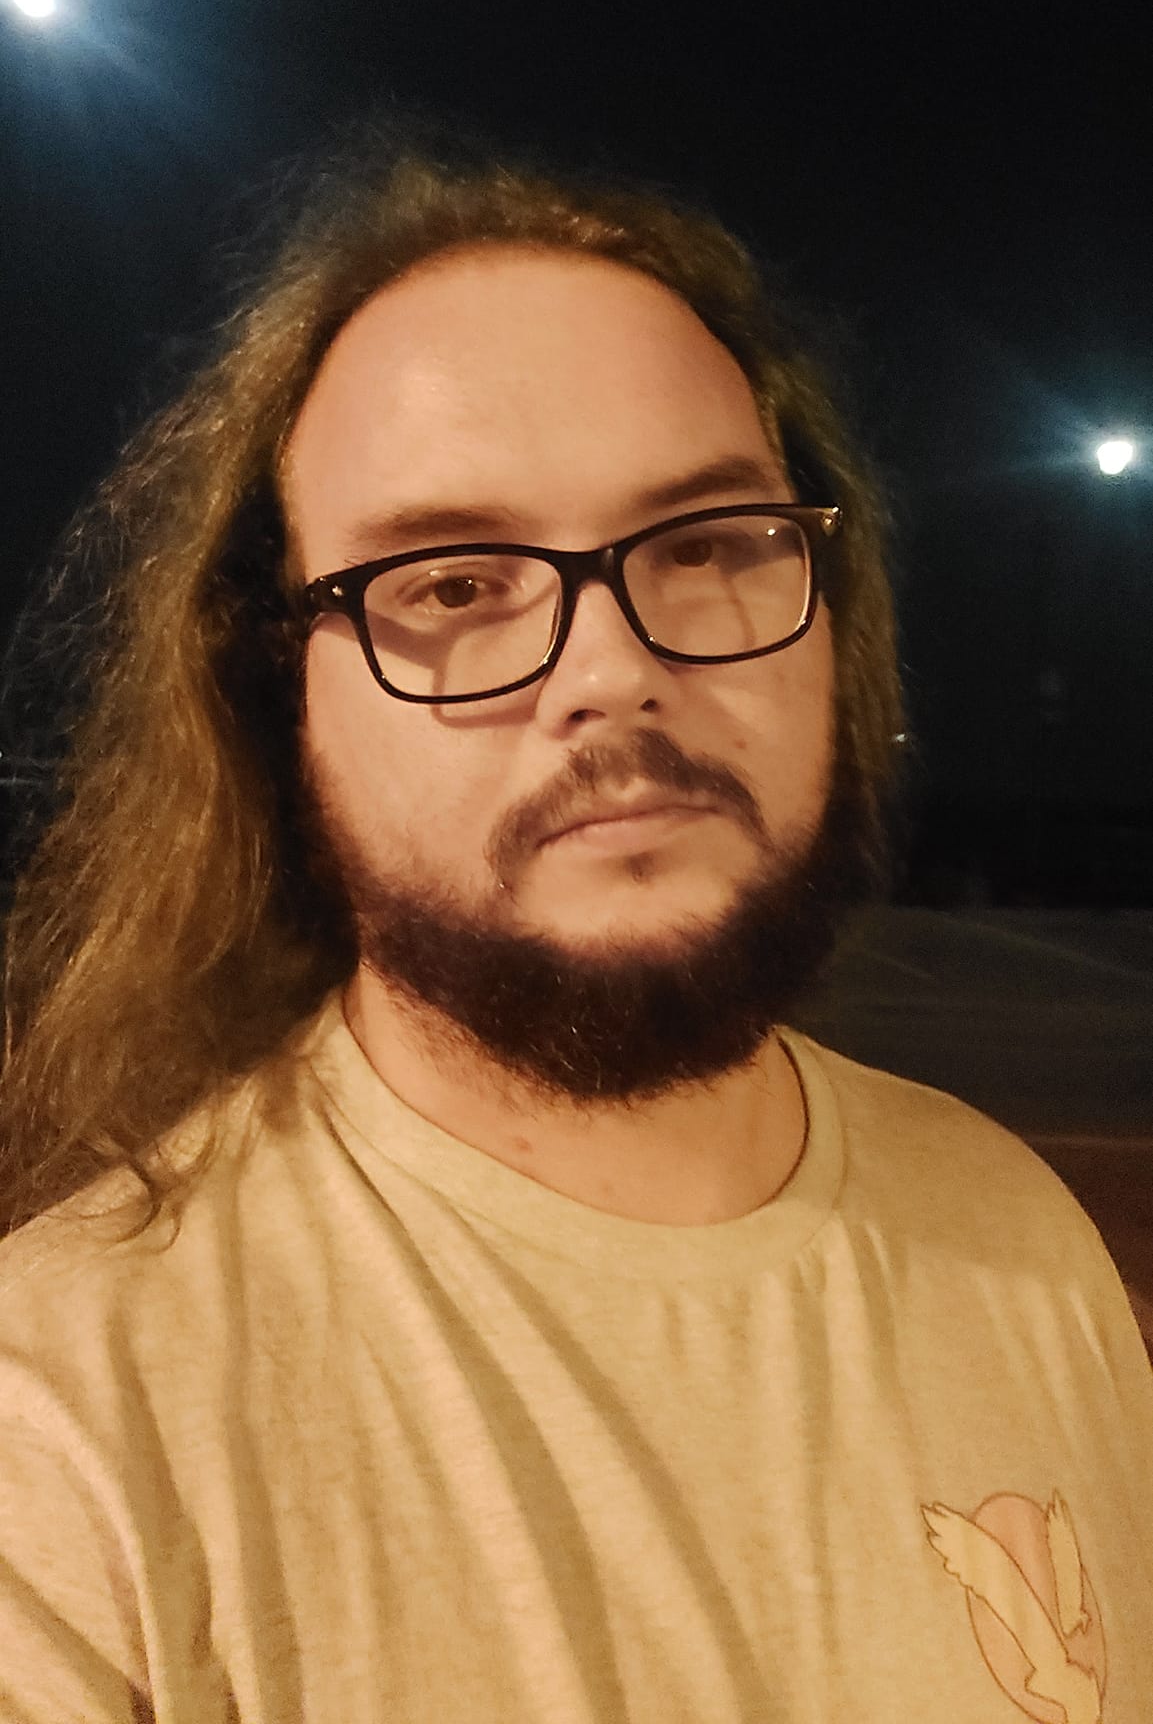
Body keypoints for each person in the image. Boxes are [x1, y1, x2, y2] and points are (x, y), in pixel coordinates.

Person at [0, 133, 1150, 1723]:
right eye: (453, 583)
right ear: (282, 699)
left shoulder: (1022, 1243)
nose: (611, 670)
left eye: (702, 546)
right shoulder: (64, 1430)